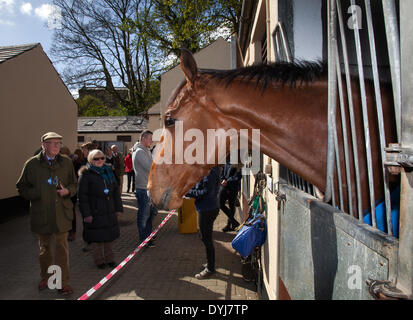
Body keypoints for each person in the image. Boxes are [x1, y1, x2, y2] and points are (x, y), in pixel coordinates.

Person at [16, 132, 77, 295]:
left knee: (62, 249)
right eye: (53, 143)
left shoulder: (66, 162)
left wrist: (68, 191)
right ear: (44, 145)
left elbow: (74, 184)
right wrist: (37, 193)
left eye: (59, 143)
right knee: (45, 250)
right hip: (41, 213)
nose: (57, 146)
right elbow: (21, 187)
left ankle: (63, 282)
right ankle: (47, 277)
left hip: (62, 214)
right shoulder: (32, 164)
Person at [77, 149, 123, 269]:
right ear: (90, 160)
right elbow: (82, 197)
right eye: (96, 159)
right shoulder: (86, 175)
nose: (100, 161)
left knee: (109, 237)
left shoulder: (109, 171)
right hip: (95, 211)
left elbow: (116, 193)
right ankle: (99, 260)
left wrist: (118, 208)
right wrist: (87, 214)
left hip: (109, 210)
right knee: (96, 239)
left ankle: (110, 258)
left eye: (102, 158)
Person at [186, 166, 222, 279]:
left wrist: (188, 192)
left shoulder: (210, 171)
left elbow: (204, 192)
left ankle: (210, 268)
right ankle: (210, 263)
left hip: (207, 209)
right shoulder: (208, 169)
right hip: (208, 207)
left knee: (206, 238)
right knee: (204, 237)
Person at [132, 130, 155, 247]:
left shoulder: (145, 150)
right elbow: (151, 168)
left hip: (148, 187)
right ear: (143, 138)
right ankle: (144, 238)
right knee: (144, 215)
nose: (152, 140)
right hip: (143, 189)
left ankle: (148, 234)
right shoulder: (140, 151)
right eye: (150, 138)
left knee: (151, 214)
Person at [219, 158, 242, 232]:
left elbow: (238, 176)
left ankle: (229, 225)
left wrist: (227, 181)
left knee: (232, 206)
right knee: (220, 204)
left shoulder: (238, 162)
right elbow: (222, 173)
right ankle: (234, 222)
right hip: (225, 187)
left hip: (233, 188)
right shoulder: (227, 161)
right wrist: (222, 180)